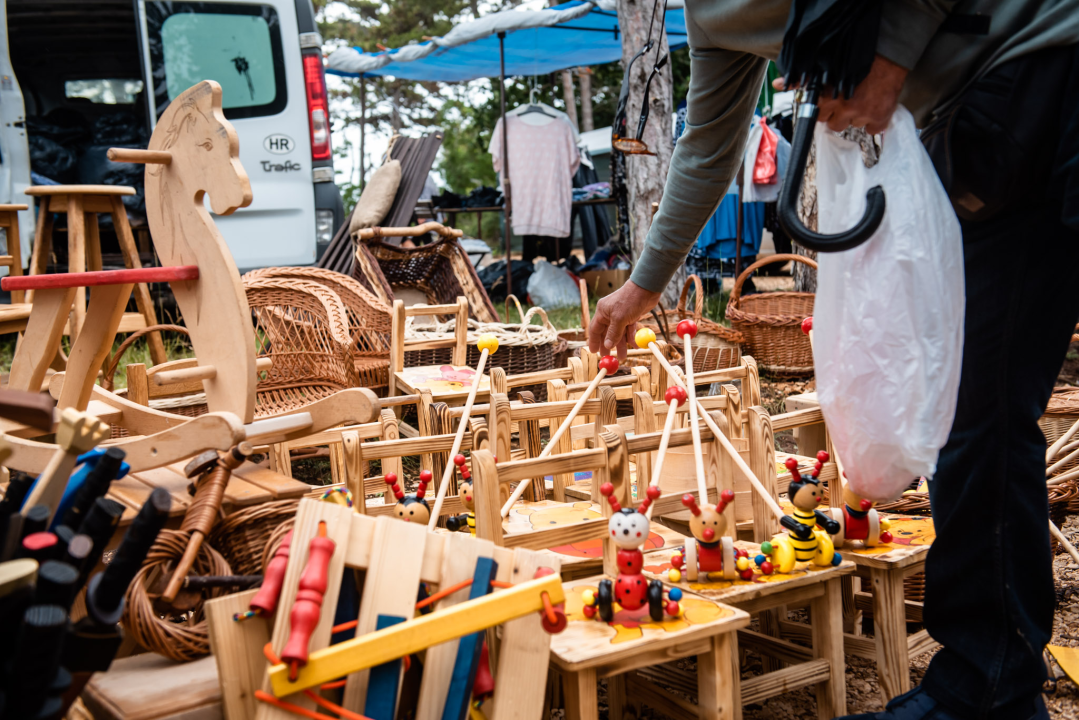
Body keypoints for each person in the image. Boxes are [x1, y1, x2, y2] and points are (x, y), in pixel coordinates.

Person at [588, 3, 1079, 719]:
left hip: (1050, 65)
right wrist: (644, 283)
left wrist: (888, 58)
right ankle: (983, 687)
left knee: (979, 411)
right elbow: (706, 145)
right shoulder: (711, 15)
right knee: (973, 409)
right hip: (983, 129)